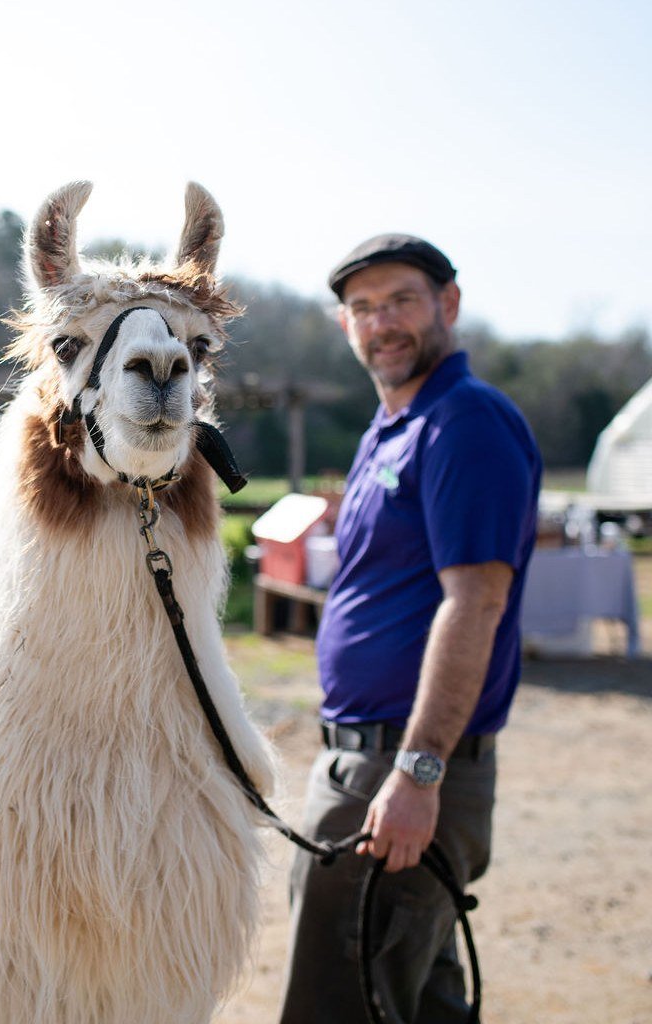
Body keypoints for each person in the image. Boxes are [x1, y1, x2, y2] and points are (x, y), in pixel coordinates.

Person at [278, 236, 541, 1023]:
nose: (381, 323)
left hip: (402, 772)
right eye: (362, 308)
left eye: (400, 301)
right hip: (367, 760)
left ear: (447, 305)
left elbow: (475, 606)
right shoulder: (393, 424)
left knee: (340, 1005)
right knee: (419, 1005)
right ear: (343, 324)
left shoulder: (465, 423)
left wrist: (419, 774)